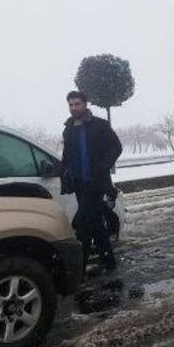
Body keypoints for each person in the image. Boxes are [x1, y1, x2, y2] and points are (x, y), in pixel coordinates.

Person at [60, 91, 123, 274]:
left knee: (81, 223)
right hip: (80, 184)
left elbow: (116, 147)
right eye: (71, 105)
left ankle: (80, 268)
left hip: (96, 183)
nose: (74, 108)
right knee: (94, 222)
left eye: (77, 104)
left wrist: (102, 166)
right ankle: (108, 262)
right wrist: (64, 173)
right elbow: (67, 156)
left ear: (85, 104)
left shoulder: (100, 126)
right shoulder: (68, 129)